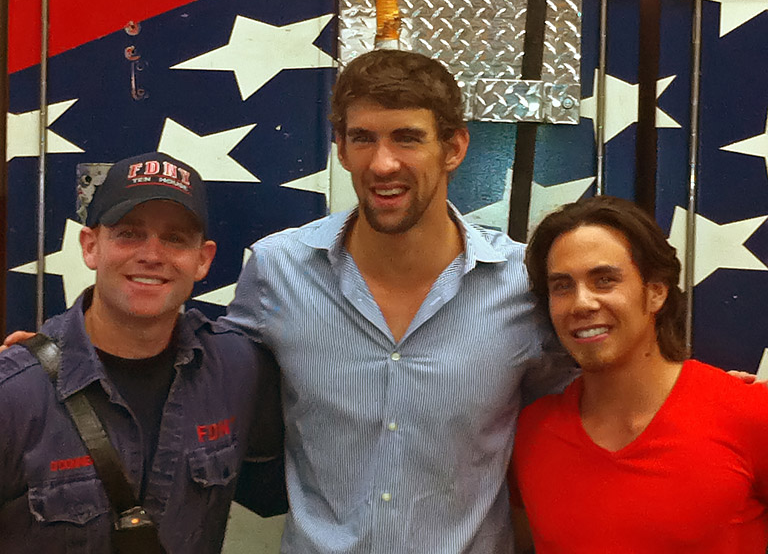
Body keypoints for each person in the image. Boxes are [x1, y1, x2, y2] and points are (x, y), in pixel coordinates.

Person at [223, 49, 577, 553]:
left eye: (407, 138)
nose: (382, 163)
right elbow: (204, 386)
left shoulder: (522, 283)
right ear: (341, 150)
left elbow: (595, 406)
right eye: (363, 138)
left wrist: (704, 401)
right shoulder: (277, 270)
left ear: (454, 148)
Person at [0, 152, 285, 553]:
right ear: (90, 246)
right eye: (129, 233)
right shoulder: (14, 395)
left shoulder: (237, 370)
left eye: (174, 238)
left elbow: (288, 488)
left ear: (203, 260)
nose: (152, 254)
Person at [511, 195, 768, 553]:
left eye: (604, 280)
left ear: (655, 293)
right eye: (562, 286)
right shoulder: (532, 433)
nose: (582, 303)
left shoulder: (750, 413)